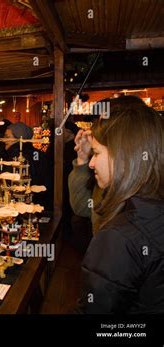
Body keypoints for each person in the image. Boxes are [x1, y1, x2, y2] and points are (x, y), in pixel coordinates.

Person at [76, 96, 164, 314]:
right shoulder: (152, 206)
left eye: (96, 153)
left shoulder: (119, 236)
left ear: (123, 155)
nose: (92, 162)